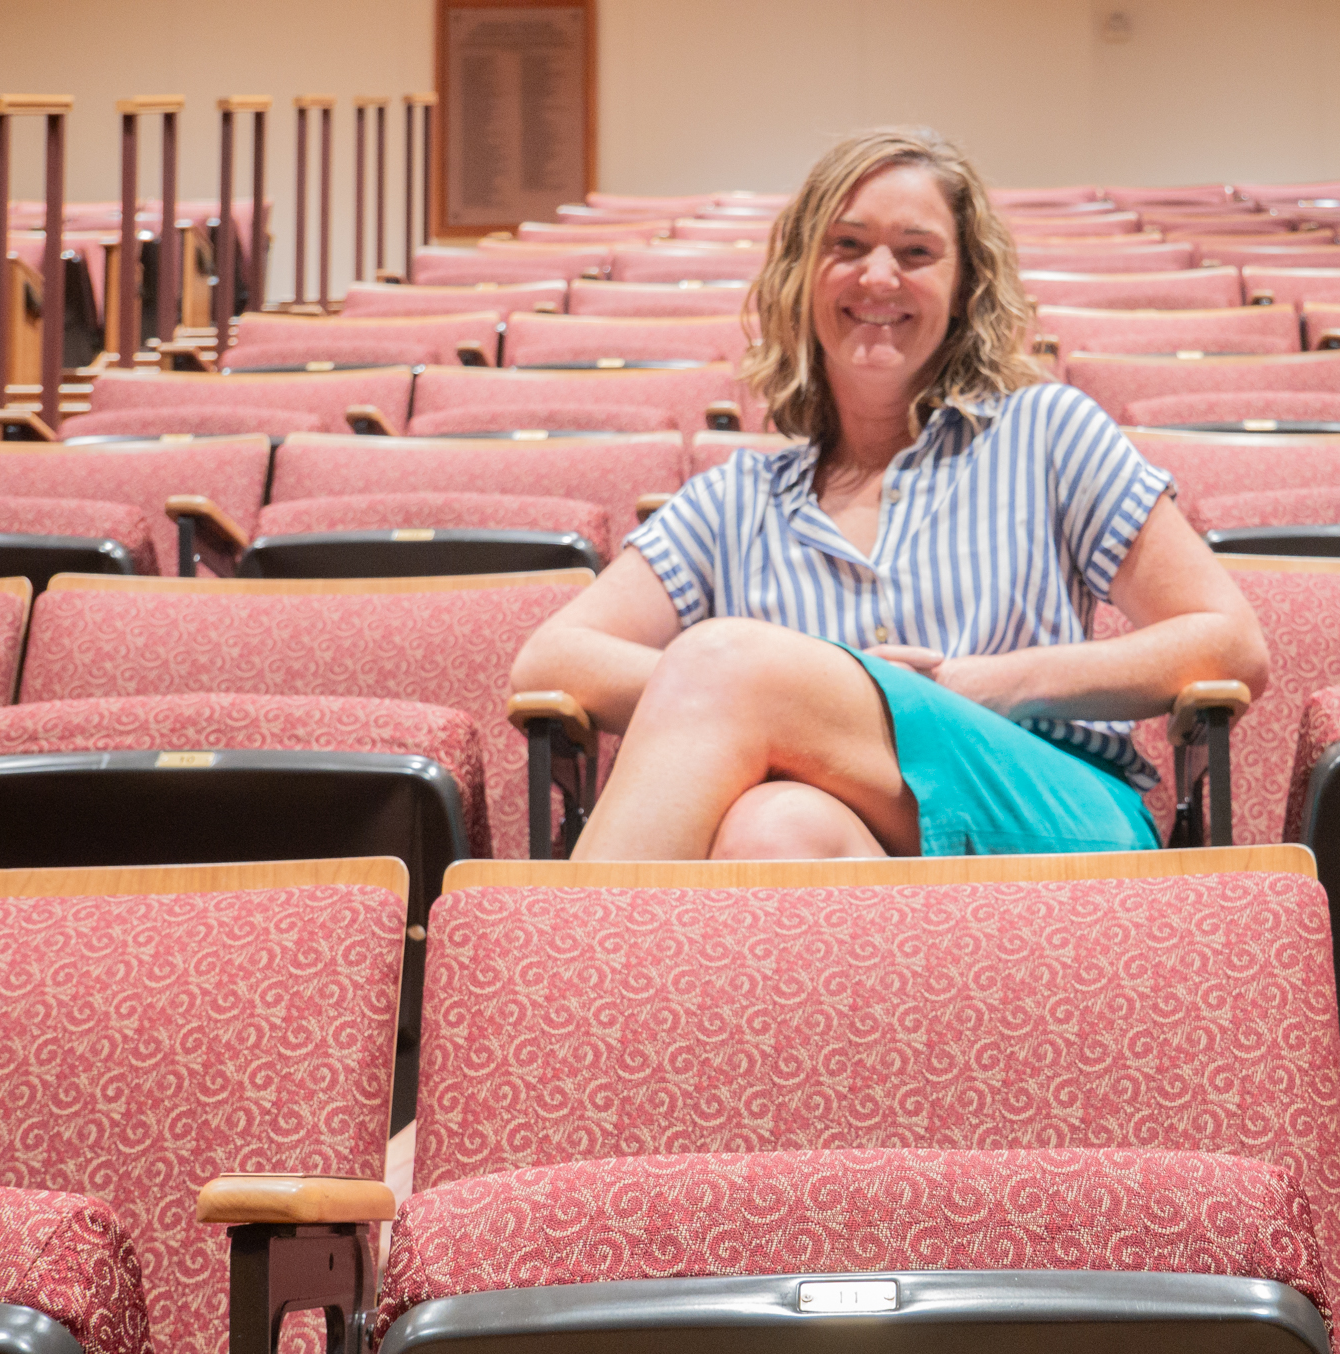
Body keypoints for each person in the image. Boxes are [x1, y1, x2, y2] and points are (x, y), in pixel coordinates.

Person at [509, 127, 1270, 860]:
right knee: (774, 828)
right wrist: (780, 702)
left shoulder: (1047, 433)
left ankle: (562, 956)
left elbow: (1230, 642)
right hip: (847, 841)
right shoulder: (734, 500)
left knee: (727, 665)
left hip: (1054, 816)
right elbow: (551, 661)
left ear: (964, 285)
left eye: (916, 252)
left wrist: (992, 683)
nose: (878, 277)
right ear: (801, 275)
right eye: (847, 246)